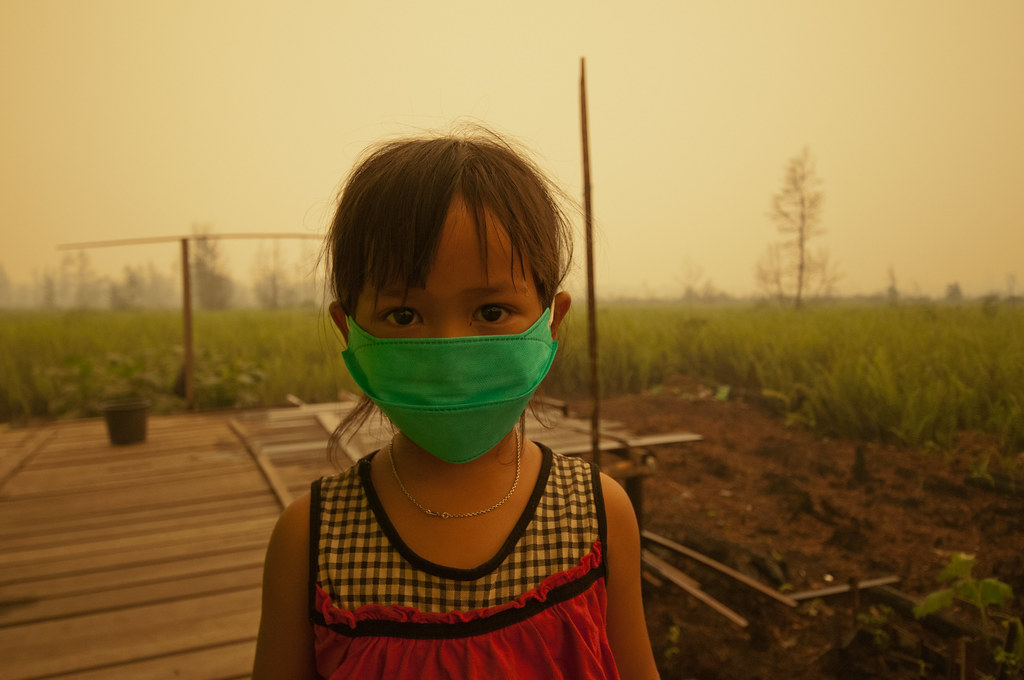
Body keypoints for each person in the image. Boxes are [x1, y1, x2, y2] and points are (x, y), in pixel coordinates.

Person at [252, 128, 660, 679]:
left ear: (552, 322)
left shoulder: (598, 515)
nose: (448, 350)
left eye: (491, 312)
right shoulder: (311, 542)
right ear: (349, 331)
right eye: (404, 316)